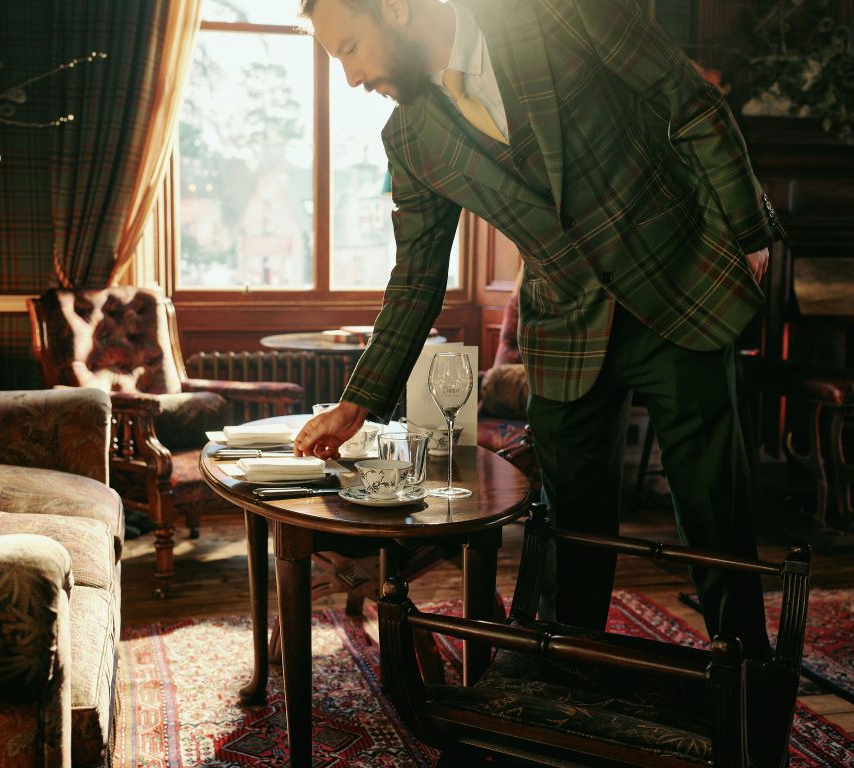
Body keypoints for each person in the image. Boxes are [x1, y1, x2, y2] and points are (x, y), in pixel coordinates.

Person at [292, 0, 784, 659]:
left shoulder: (560, 13)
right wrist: (357, 404)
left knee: (716, 522)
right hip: (564, 332)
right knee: (567, 536)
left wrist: (748, 231)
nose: (351, 77)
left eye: (351, 47)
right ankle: (560, 693)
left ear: (398, 8)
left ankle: (748, 699)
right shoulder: (408, 142)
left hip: (679, 296)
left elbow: (689, 101)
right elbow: (416, 278)